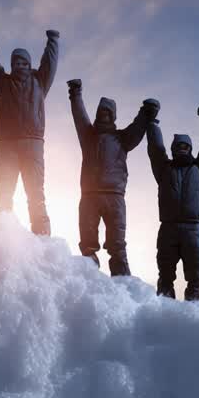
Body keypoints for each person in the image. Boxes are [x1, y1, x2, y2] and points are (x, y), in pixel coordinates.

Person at [68, 79, 156, 275]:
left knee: (117, 246)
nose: (104, 115)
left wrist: (146, 112)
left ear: (113, 116)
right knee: (88, 244)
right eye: (101, 112)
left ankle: (123, 284)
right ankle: (90, 281)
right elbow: (80, 116)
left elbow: (137, 127)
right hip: (89, 196)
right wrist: (75, 94)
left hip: (115, 197)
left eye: (108, 113)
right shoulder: (88, 135)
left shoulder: (122, 138)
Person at [0, 25, 59, 234]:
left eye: (24, 62)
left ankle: (42, 241)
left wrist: (52, 42)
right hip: (6, 145)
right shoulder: (2, 82)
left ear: (30, 64)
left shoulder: (40, 82)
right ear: (11, 64)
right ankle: (3, 238)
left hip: (32, 144)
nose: (20, 65)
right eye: (16, 62)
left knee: (35, 195)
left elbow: (49, 64)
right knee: (4, 194)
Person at [146, 101, 199, 299]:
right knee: (165, 276)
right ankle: (165, 316)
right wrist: (151, 122)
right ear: (173, 149)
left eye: (186, 146)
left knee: (195, 278)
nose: (182, 149)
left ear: (191, 149)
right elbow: (155, 148)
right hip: (168, 228)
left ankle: (192, 317)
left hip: (193, 229)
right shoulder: (164, 169)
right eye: (179, 146)